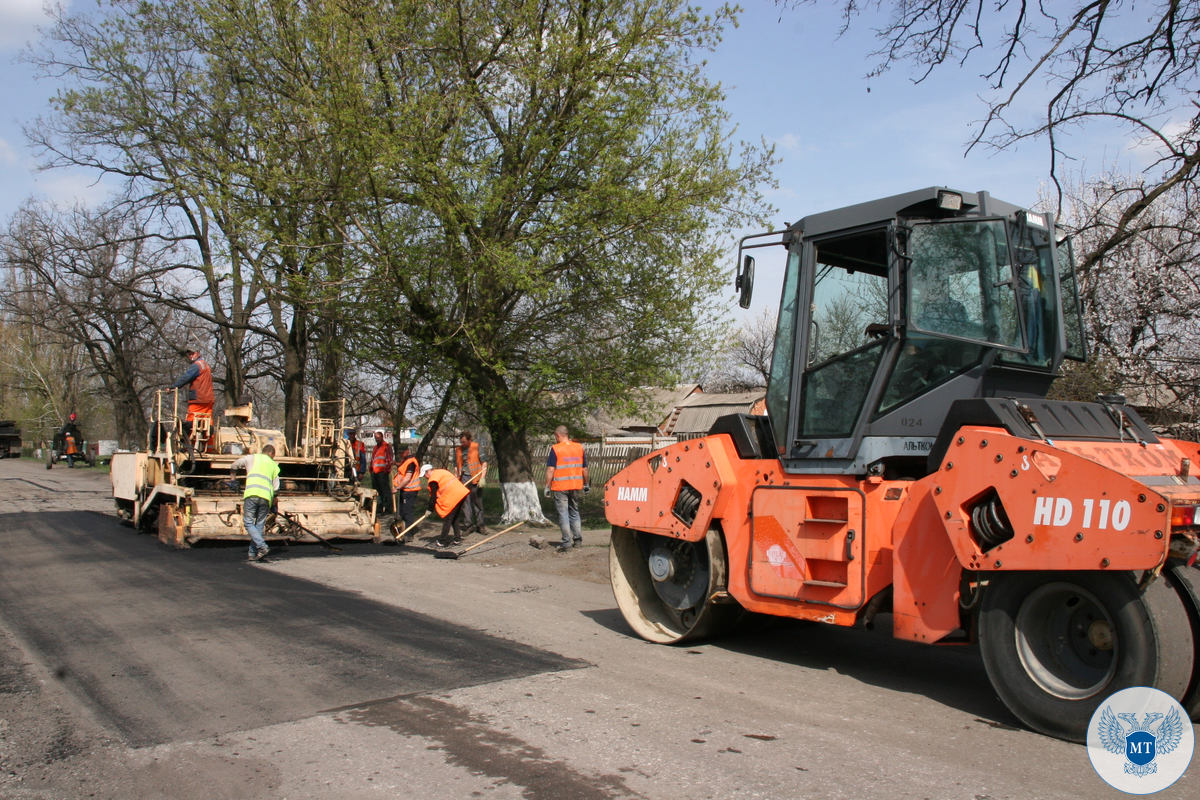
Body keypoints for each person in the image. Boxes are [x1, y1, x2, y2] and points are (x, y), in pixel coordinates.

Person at [231, 444, 279, 561]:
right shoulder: (274, 465)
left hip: (252, 494)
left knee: (248, 522)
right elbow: (276, 488)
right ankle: (252, 553)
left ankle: (262, 547)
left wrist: (233, 480)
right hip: (266, 498)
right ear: (272, 454)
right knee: (259, 525)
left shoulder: (252, 458)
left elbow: (234, 465)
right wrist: (274, 505)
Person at [545, 425, 589, 553]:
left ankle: (566, 542)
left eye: (555, 437)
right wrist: (586, 484)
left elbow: (550, 469)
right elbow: (584, 469)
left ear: (558, 435)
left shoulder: (556, 449)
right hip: (576, 486)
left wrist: (547, 486)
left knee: (563, 513)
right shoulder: (579, 447)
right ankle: (578, 540)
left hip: (560, 487)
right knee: (574, 512)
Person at [171, 347, 215, 455]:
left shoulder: (197, 366)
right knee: (207, 425)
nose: (190, 356)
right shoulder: (206, 365)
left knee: (190, 424)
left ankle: (186, 447)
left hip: (198, 400)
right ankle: (209, 448)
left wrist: (173, 387)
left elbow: (186, 377)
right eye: (189, 354)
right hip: (208, 400)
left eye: (192, 353)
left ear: (198, 353)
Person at [420, 464, 470, 547]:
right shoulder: (441, 472)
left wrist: (429, 509)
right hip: (461, 493)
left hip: (455, 496)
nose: (425, 477)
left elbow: (433, 496)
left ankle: (442, 541)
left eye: (425, 475)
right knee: (455, 517)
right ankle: (457, 538)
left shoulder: (433, 479)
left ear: (428, 472)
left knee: (448, 518)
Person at [455, 430, 488, 533]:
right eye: (461, 442)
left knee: (477, 503)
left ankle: (480, 526)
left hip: (476, 479)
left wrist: (482, 477)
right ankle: (468, 525)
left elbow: (484, 463)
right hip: (464, 479)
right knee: (466, 503)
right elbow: (457, 466)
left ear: (469, 440)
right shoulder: (459, 450)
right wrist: (457, 479)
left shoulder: (476, 447)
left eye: (464, 441)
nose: (462, 444)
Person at [392, 444, 421, 532]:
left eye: (402, 452)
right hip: (404, 490)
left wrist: (397, 488)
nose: (401, 454)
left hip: (410, 491)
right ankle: (403, 529)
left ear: (407, 451)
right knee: (402, 512)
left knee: (408, 512)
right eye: (400, 453)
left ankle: (409, 533)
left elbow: (407, 478)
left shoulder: (411, 462)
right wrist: (395, 464)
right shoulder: (406, 460)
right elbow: (402, 470)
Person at [370, 430, 394, 516]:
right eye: (376, 438)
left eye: (378, 438)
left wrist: (386, 470)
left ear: (382, 437)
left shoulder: (386, 446)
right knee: (377, 491)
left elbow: (389, 459)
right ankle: (379, 508)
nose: (377, 440)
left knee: (385, 491)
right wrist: (371, 470)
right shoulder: (375, 448)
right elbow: (373, 460)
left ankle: (388, 509)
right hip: (375, 472)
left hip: (382, 473)